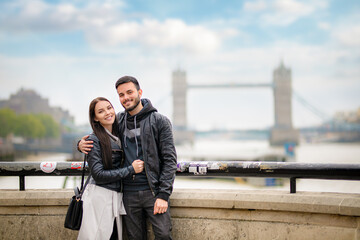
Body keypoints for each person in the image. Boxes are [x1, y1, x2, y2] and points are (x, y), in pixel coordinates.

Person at [78, 76, 177, 240]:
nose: (126, 98)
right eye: (121, 95)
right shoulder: (120, 121)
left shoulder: (159, 121)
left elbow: (170, 160)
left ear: (139, 92)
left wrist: (163, 195)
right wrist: (80, 144)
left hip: (153, 191)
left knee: (163, 235)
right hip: (127, 193)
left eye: (129, 92)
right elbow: (100, 132)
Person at [78, 97, 144, 240]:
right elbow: (98, 175)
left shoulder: (118, 133)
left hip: (115, 195)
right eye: (101, 111)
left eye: (109, 108)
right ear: (95, 118)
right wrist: (131, 170)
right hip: (100, 197)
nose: (108, 113)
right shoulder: (93, 140)